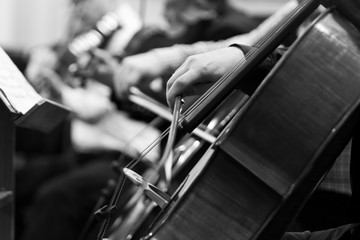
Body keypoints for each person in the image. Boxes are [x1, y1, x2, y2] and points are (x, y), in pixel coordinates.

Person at [90, 0, 360, 239]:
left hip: (321, 195)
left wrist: (252, 63)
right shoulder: (308, 8)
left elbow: (327, 79)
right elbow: (256, 41)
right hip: (277, 174)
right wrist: (166, 58)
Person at [18, 1, 261, 240]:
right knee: (21, 179)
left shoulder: (196, 33)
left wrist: (119, 80)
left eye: (173, 9)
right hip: (97, 145)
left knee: (56, 196)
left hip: (130, 153)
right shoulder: (140, 38)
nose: (166, 15)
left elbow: (249, 46)